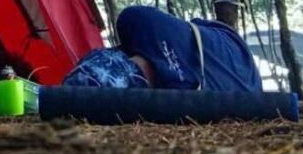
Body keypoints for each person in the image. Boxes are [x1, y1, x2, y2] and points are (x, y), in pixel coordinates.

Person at [63, 5, 262, 93]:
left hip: (228, 58)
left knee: (132, 22)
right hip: (239, 63)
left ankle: (141, 69)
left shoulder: (138, 23)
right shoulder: (140, 25)